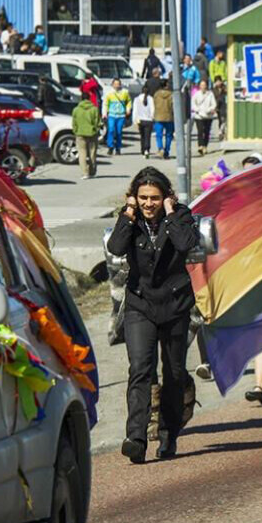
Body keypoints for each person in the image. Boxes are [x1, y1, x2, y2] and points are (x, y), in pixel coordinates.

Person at [108, 168, 198, 463]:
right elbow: (116, 248)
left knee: (173, 371)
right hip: (140, 304)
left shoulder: (180, 216)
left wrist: (171, 213)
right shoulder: (130, 219)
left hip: (175, 304)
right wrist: (128, 212)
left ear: (166, 197)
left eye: (155, 198)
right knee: (141, 368)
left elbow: (186, 245)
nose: (149, 203)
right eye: (143, 197)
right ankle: (136, 436)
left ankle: (169, 433)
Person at [71, 98, 101, 179]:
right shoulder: (94, 109)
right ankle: (92, 172)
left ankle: (85, 173)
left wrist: (75, 131)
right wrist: (96, 129)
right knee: (92, 153)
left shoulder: (76, 110)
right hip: (92, 133)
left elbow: (74, 122)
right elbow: (98, 122)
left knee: (82, 153)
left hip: (80, 133)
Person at [103, 78, 131, 155]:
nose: (117, 85)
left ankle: (118, 148)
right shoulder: (109, 93)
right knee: (111, 130)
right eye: (115, 84)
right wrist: (104, 113)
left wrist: (128, 109)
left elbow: (128, 101)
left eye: (118, 84)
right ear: (112, 84)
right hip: (111, 115)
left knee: (119, 132)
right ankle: (110, 147)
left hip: (121, 115)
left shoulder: (125, 92)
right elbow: (105, 103)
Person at [191, 79, 216, 156]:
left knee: (207, 132)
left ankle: (205, 145)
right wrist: (197, 110)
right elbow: (193, 103)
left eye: (204, 85)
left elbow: (214, 104)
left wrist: (209, 110)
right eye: (201, 85)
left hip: (208, 116)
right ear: (199, 86)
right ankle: (200, 146)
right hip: (199, 116)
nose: (203, 87)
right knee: (200, 131)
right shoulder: (196, 94)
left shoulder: (210, 94)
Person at [153, 79, 175, 159]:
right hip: (169, 117)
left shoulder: (156, 94)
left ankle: (160, 148)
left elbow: (154, 104)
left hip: (158, 116)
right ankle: (167, 151)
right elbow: (173, 106)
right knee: (169, 135)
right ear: (166, 85)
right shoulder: (171, 94)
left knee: (159, 135)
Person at [132, 86, 155, 159]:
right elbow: (152, 109)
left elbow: (135, 111)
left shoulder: (137, 99)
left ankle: (142, 149)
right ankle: (147, 149)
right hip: (148, 120)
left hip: (140, 120)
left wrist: (134, 120)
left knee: (142, 136)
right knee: (147, 136)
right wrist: (152, 117)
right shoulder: (150, 98)